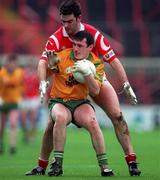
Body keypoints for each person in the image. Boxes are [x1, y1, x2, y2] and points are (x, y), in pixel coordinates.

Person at [25, 0, 141, 176]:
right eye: (63, 21)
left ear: (79, 18)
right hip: (68, 84)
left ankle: (132, 161)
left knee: (117, 116)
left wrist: (125, 84)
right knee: (53, 123)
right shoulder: (56, 38)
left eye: (69, 21)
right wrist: (42, 82)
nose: (66, 25)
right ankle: (42, 166)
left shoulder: (93, 34)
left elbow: (113, 60)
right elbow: (44, 63)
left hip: (94, 77)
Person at [26, 30, 114, 176]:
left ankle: (104, 167)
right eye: (74, 44)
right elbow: (46, 73)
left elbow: (95, 91)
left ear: (90, 47)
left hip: (80, 102)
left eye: (80, 45)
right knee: (59, 118)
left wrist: (87, 73)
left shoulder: (96, 63)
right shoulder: (62, 55)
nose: (76, 48)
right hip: (59, 101)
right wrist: (52, 67)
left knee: (93, 122)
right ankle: (57, 165)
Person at [0, 54, 24, 154]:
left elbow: (20, 84)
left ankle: (12, 146)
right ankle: (1, 143)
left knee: (13, 124)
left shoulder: (19, 72)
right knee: (1, 126)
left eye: (15, 63)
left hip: (14, 101)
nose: (13, 65)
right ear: (7, 63)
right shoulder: (2, 73)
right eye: (11, 63)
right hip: (3, 101)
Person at [20, 61, 40, 143]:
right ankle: (26, 134)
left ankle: (32, 136)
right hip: (25, 99)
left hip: (33, 98)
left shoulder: (36, 76)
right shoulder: (23, 75)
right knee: (23, 119)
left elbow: (40, 86)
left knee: (33, 118)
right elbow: (20, 85)